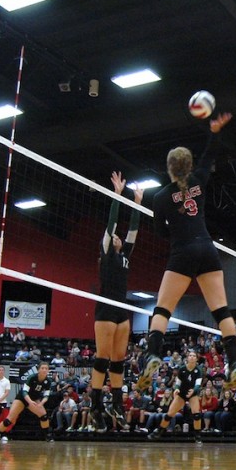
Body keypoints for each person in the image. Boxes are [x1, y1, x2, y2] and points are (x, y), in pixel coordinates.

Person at [137, 112, 236, 392]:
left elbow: (160, 232)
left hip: (182, 251)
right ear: (189, 166)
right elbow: (211, 155)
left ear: (169, 168)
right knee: (221, 311)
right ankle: (234, 363)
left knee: (162, 309)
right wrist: (215, 131)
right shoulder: (198, 180)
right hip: (207, 248)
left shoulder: (160, 198)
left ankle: (151, 355)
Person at [90, 171, 143, 432]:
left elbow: (133, 228)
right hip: (105, 307)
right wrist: (118, 196)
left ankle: (117, 404)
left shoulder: (126, 253)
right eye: (115, 236)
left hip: (123, 309)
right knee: (103, 358)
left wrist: (137, 202)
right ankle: (95, 407)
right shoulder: (107, 250)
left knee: (119, 360)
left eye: (120, 238)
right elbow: (112, 224)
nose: (118, 237)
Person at [148, 350, 205, 442]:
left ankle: (197, 435)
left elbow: (198, 384)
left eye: (194, 356)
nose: (191, 357)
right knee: (169, 415)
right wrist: (177, 388)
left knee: (197, 415)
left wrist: (193, 390)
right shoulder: (182, 369)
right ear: (187, 358)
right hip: (181, 393)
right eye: (190, 355)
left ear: (196, 359)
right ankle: (159, 431)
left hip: (192, 393)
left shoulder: (198, 370)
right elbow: (178, 382)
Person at [0, 362, 54, 442]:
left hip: (34, 399)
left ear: (48, 370)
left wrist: (41, 403)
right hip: (22, 399)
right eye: (42, 368)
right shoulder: (32, 377)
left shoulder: (48, 381)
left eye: (46, 368)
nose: (44, 370)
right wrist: (30, 401)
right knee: (9, 419)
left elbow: (46, 395)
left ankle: (48, 436)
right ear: (38, 370)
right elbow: (24, 392)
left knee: (44, 416)